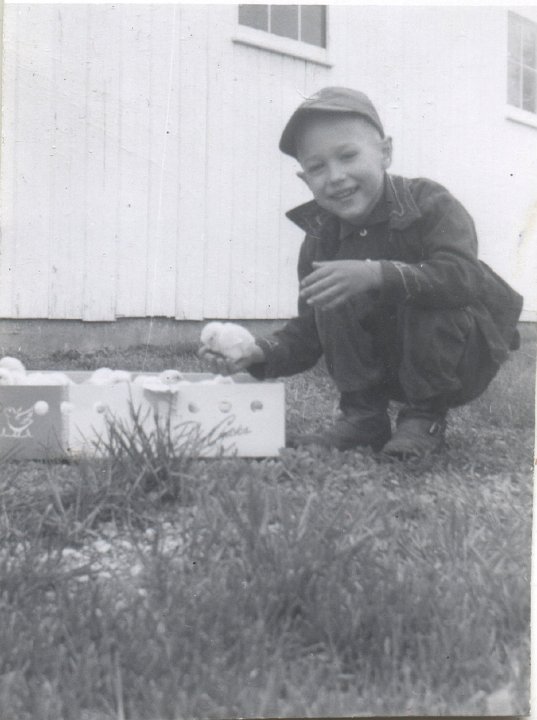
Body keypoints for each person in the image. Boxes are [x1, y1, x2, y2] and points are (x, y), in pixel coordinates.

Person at [200, 87, 523, 459]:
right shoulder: (322, 238)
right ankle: (364, 417)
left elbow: (463, 279)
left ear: (385, 152)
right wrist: (257, 353)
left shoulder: (431, 203)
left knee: (424, 285)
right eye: (317, 167)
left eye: (348, 156)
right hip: (389, 359)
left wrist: (376, 274)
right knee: (333, 291)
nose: (335, 176)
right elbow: (310, 329)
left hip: (462, 357)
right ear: (305, 179)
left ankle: (424, 419)